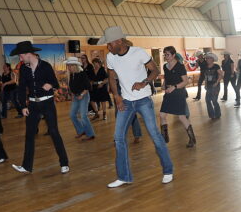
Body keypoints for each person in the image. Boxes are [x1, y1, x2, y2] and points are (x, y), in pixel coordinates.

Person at [100, 26, 173, 188]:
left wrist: (144, 82)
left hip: (143, 100)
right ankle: (124, 176)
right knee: (119, 138)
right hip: (126, 101)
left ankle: (168, 170)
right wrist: (117, 97)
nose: (108, 47)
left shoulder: (138, 52)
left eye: (110, 44)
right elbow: (111, 78)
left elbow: (155, 70)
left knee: (154, 134)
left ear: (119, 41)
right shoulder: (110, 57)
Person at [10, 41, 69, 174]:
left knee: (54, 132)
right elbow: (21, 88)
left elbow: (55, 83)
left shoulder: (45, 66)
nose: (20, 58)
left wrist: (50, 85)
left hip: (47, 103)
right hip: (33, 105)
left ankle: (64, 163)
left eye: (21, 56)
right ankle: (26, 166)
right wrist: (23, 106)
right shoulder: (24, 69)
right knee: (29, 134)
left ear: (28, 54)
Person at [159, 46, 196, 148]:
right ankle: (164, 138)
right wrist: (164, 85)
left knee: (181, 117)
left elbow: (185, 81)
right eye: (165, 55)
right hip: (168, 93)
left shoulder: (180, 66)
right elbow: (167, 77)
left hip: (178, 93)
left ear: (173, 55)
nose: (166, 57)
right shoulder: (165, 66)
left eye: (168, 55)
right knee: (162, 115)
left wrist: (174, 87)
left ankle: (192, 139)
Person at [66, 57, 95, 141]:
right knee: (72, 115)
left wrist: (82, 95)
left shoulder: (82, 74)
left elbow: (88, 87)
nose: (68, 67)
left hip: (84, 96)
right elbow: (72, 86)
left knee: (83, 116)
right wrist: (72, 95)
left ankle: (90, 134)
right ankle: (81, 130)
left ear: (74, 66)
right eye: (68, 66)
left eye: (69, 66)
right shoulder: (72, 74)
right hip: (76, 96)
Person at [202, 52, 223, 119]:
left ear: (212, 59)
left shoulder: (216, 66)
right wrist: (205, 84)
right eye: (206, 58)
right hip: (209, 86)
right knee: (207, 100)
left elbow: (221, 75)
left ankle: (217, 114)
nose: (207, 59)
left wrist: (216, 82)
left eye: (209, 58)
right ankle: (212, 115)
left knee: (214, 100)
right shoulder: (205, 67)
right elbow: (206, 76)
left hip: (215, 86)